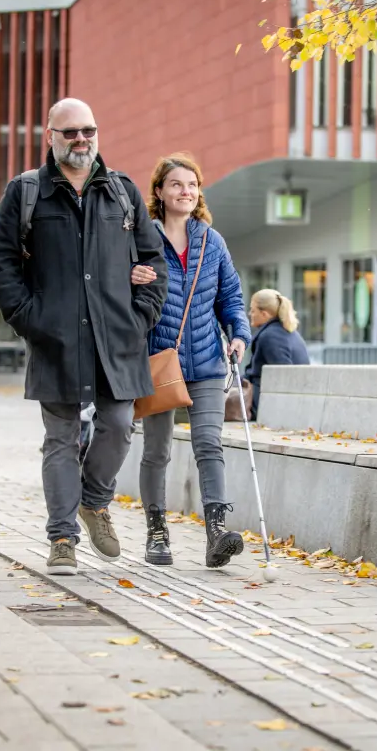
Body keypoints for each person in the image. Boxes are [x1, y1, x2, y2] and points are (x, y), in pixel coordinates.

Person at [0, 98, 168, 576]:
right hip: (57, 339)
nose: (81, 139)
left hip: (117, 336)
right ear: (50, 136)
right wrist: (30, 319)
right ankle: (62, 539)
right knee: (61, 438)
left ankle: (94, 501)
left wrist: (141, 315)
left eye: (88, 130)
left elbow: (156, 261)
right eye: (70, 132)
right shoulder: (26, 193)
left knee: (119, 422)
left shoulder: (122, 191)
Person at [128, 153, 251, 568]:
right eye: (177, 184)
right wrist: (128, 276)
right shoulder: (140, 239)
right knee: (157, 451)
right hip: (159, 362)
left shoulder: (211, 241)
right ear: (159, 191)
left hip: (207, 363)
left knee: (209, 444)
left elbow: (230, 297)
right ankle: (157, 532)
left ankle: (216, 532)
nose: (186, 191)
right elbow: (114, 290)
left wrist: (238, 335)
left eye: (192, 184)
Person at [244, 289, 310, 420]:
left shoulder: (270, 337)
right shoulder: (288, 331)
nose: (249, 314)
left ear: (264, 314)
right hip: (279, 400)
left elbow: (284, 377)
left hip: (268, 404)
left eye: (253, 310)